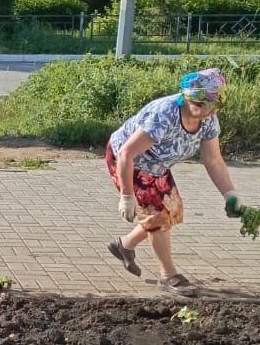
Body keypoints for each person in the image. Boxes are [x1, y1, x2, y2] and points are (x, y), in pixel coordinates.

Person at [105, 67, 251, 291]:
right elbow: (126, 153)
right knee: (159, 216)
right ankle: (168, 275)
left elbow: (213, 160)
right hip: (129, 163)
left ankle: (125, 245)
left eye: (214, 107)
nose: (208, 113)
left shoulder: (209, 119)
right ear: (188, 98)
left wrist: (230, 193)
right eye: (202, 106)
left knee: (173, 210)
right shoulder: (164, 115)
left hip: (158, 166)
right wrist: (127, 196)